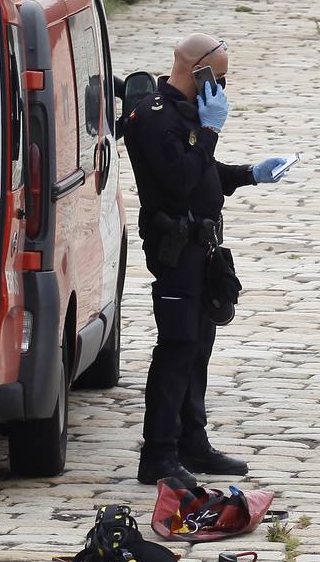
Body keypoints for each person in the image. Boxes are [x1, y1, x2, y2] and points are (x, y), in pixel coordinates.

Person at [121, 33, 291, 487]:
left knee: (198, 348)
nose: (222, 88)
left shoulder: (185, 114)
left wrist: (250, 175)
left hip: (204, 246)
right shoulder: (153, 118)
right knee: (176, 349)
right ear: (195, 71)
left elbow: (205, 171)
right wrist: (211, 132)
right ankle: (158, 454)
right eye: (218, 78)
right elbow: (178, 179)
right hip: (174, 247)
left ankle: (191, 441)